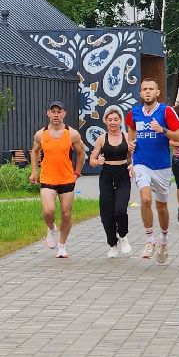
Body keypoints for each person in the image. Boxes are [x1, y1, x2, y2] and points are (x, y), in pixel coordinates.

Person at [125, 79, 179, 263]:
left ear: (157, 92)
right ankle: (150, 239)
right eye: (144, 89)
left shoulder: (166, 111)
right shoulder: (134, 113)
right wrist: (130, 147)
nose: (147, 92)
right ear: (140, 93)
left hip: (162, 166)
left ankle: (164, 239)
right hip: (141, 163)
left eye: (151, 89)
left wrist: (162, 130)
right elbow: (131, 133)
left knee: (161, 206)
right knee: (145, 198)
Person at [29, 100, 85, 259]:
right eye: (53, 112)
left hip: (66, 179)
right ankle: (52, 229)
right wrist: (34, 171)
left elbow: (81, 152)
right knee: (49, 211)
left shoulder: (72, 134)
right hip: (48, 178)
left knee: (66, 213)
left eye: (59, 112)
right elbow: (34, 151)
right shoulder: (41, 134)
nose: (56, 115)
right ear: (48, 113)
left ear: (64, 113)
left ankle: (62, 246)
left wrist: (77, 172)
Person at [88, 105, 133, 258]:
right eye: (110, 120)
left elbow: (134, 156)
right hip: (107, 175)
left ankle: (123, 235)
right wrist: (97, 161)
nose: (113, 122)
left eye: (115, 119)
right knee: (106, 213)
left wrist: (132, 163)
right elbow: (91, 160)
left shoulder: (127, 137)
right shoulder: (102, 138)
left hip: (123, 175)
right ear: (105, 121)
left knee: (120, 209)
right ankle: (112, 244)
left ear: (120, 121)